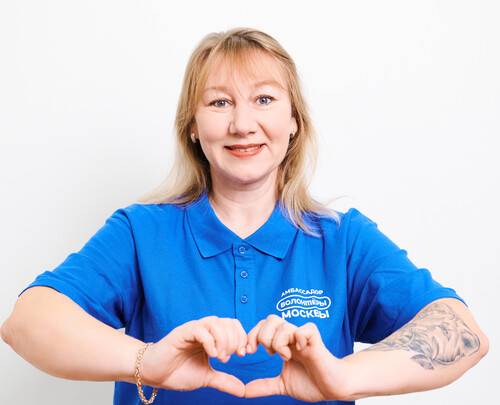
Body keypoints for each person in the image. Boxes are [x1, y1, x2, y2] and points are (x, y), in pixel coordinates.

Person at [1, 28, 488, 405]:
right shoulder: (139, 233)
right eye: (219, 102)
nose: (242, 124)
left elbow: (465, 334)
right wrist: (148, 361)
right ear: (193, 127)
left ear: (293, 121)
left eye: (264, 99)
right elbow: (26, 323)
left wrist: (342, 376)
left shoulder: (344, 241)